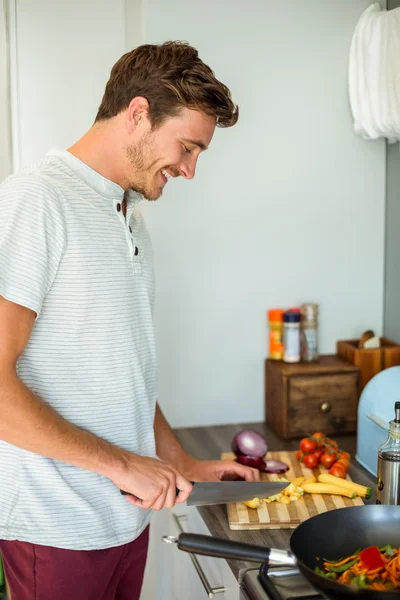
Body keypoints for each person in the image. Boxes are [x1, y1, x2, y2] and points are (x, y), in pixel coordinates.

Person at [0, 41, 259, 600]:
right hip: (58, 529)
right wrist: (123, 465)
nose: (190, 170)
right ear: (138, 114)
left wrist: (180, 460)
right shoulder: (35, 202)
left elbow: (122, 373)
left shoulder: (128, 216)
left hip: (124, 520)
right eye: (187, 147)